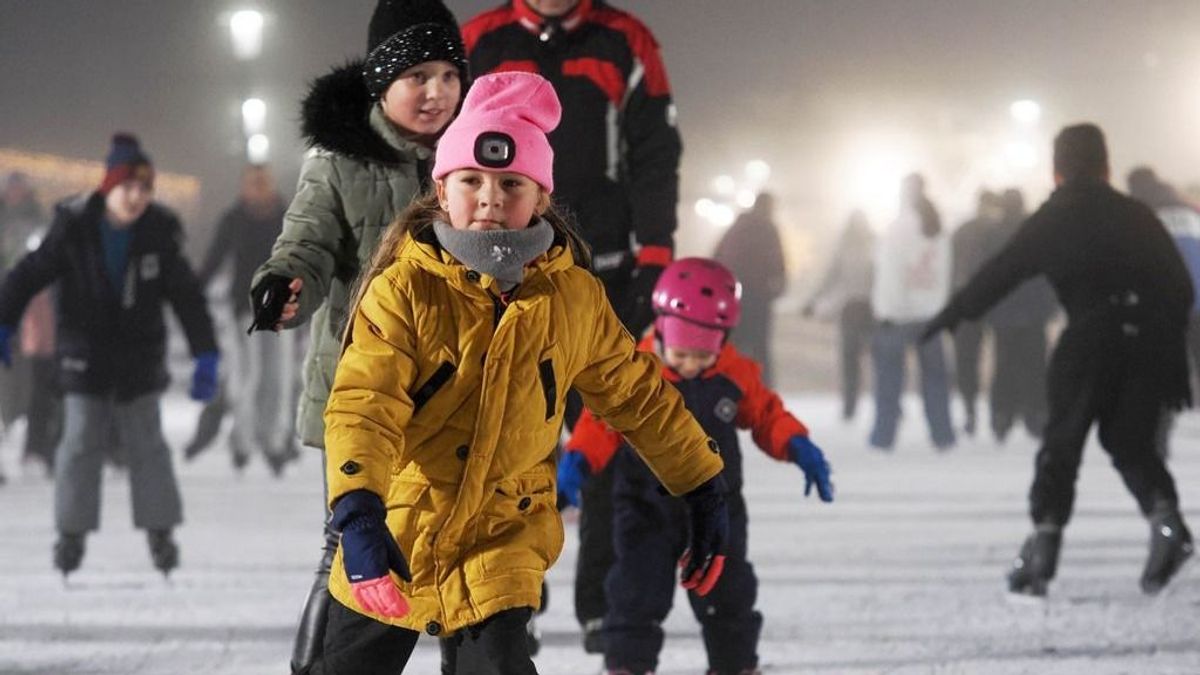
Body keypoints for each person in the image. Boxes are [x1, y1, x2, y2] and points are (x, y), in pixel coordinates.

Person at [307, 70, 728, 675]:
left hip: (503, 532)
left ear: (540, 196)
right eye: (471, 179)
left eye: (512, 182)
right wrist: (358, 510)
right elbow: (364, 404)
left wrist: (702, 484)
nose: (489, 197)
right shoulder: (406, 288)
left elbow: (640, 397)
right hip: (401, 520)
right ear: (441, 186)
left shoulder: (571, 297)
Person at [245, 1, 468, 670]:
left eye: (448, 76)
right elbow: (308, 243)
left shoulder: (477, 156)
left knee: (468, 542)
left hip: (462, 390)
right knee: (349, 544)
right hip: (365, 388)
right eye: (417, 76)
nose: (436, 93)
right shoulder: (341, 161)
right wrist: (285, 283)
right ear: (380, 82)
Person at [462, 0, 685, 650]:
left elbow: (655, 152)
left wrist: (657, 252)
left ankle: (603, 601)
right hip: (505, 268)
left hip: (603, 272)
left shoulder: (626, 40)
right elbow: (442, 152)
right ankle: (513, 598)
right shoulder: (479, 40)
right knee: (508, 440)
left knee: (608, 440)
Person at [923, 123, 1194, 597]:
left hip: (1088, 338)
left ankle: (1042, 547)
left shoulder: (1056, 217)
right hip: (1145, 341)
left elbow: (1001, 272)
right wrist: (1164, 343)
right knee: (1130, 442)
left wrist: (955, 312)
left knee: (1061, 445)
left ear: (1057, 170)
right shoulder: (1136, 216)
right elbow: (1180, 287)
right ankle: (1167, 523)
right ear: (1106, 166)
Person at [560, 257, 833, 675]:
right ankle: (626, 666)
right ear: (662, 331)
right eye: (682, 353)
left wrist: (797, 445)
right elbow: (601, 422)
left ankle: (735, 665)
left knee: (729, 593)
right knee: (635, 589)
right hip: (645, 507)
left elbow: (766, 415)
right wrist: (577, 461)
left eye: (703, 355)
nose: (690, 365)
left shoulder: (733, 374)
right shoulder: (635, 372)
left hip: (717, 508)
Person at [0, 133, 219, 576]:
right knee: (80, 441)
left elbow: (187, 296)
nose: (137, 197)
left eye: (145, 189)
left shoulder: (158, 231)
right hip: (85, 354)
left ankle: (160, 533)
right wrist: (5, 319)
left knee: (148, 446)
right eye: (128, 187)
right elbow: (29, 273)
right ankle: (71, 534)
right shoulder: (74, 226)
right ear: (108, 186)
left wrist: (205, 354)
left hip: (139, 359)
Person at [191, 164, 296, 474]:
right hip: (244, 307)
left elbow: (304, 256)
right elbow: (214, 257)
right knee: (246, 378)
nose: (259, 188)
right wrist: (193, 292)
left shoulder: (287, 217)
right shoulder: (233, 219)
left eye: (264, 182)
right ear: (243, 187)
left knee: (277, 378)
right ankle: (242, 442)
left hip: (280, 305)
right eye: (253, 183)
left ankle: (274, 442)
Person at [869, 173, 955, 450]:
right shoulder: (938, 227)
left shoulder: (899, 227)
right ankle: (942, 434)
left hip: (898, 315)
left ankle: (884, 436)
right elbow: (944, 273)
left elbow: (890, 273)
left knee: (890, 380)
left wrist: (887, 308)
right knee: (935, 379)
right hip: (930, 312)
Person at [984, 188, 1056, 442]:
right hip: (1034, 313)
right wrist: (1049, 307)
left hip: (1003, 312)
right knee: (1035, 366)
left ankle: (1001, 416)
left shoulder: (992, 234)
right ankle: (1036, 415)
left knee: (1004, 365)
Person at [803, 210, 875, 420]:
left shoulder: (845, 249)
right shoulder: (874, 247)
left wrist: (813, 300)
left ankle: (850, 406)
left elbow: (829, 279)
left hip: (851, 309)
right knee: (876, 359)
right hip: (869, 309)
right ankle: (887, 407)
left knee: (850, 360)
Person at [714, 193, 788, 387]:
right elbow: (778, 262)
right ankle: (763, 391)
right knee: (760, 348)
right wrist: (778, 289)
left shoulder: (737, 227)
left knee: (733, 345)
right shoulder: (769, 228)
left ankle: (729, 387)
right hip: (759, 297)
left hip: (733, 297)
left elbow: (717, 257)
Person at [950, 190, 1003, 436]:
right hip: (995, 302)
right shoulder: (1001, 232)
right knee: (1001, 359)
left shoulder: (963, 231)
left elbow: (951, 269)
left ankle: (972, 409)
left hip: (969, 303)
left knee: (967, 361)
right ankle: (995, 413)